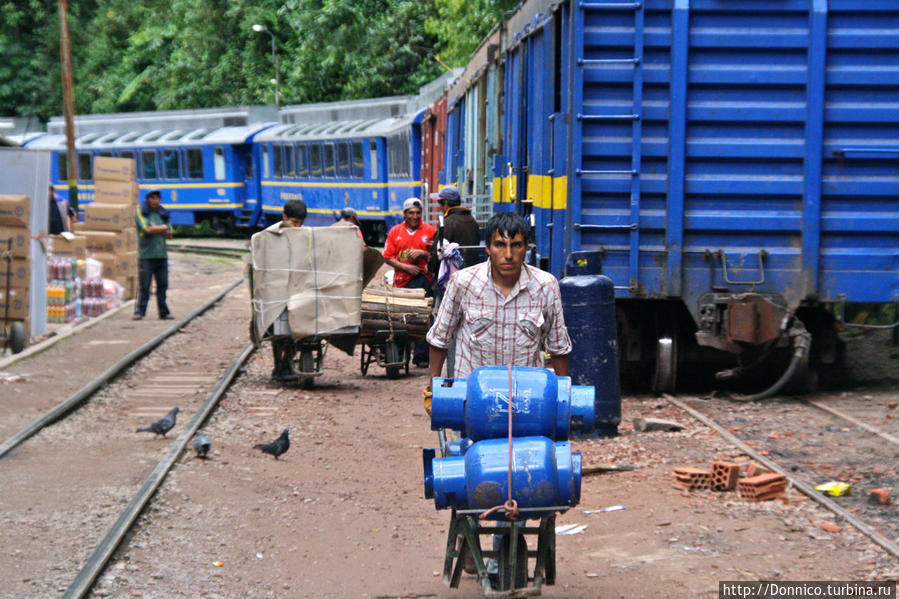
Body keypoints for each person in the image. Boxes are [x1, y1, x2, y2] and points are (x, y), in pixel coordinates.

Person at [425, 211, 571, 578]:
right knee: (471, 472)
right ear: (488, 247)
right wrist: (434, 387)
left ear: (526, 248)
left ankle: (505, 541)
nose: (508, 254)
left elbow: (558, 348)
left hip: (528, 407)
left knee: (523, 476)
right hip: (470, 406)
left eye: (516, 245)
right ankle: (472, 540)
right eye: (500, 245)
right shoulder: (463, 283)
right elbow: (440, 338)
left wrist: (563, 404)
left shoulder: (545, 286)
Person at [383, 197, 437, 367]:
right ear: (405, 215)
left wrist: (422, 254)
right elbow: (387, 257)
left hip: (423, 279)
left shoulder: (430, 231)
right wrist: (406, 268)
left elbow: (436, 257)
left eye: (418, 213)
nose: (415, 216)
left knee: (422, 317)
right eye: (411, 213)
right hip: (401, 281)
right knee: (400, 318)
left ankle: (421, 356)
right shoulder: (395, 232)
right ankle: (399, 353)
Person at [268, 199, 307, 382]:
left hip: (295, 290)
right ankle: (279, 366)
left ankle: (286, 364)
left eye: (300, 223)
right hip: (276, 292)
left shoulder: (303, 235)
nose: (297, 226)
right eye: (293, 222)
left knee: (294, 330)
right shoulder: (271, 235)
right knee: (278, 332)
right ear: (284, 217)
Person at [134, 189, 173, 320]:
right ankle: (140, 311)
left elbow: (170, 233)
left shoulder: (163, 213)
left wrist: (158, 228)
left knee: (163, 285)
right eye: (152, 198)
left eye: (157, 198)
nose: (155, 201)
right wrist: (162, 228)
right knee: (144, 285)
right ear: (147, 199)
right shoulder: (141, 211)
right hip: (146, 256)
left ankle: (164, 312)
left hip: (161, 255)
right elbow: (146, 229)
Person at [428, 185, 480, 270]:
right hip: (471, 270)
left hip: (452, 271)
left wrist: (430, 267)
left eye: (440, 203)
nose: (439, 207)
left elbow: (437, 252)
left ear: (446, 203)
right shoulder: (472, 220)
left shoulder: (446, 222)